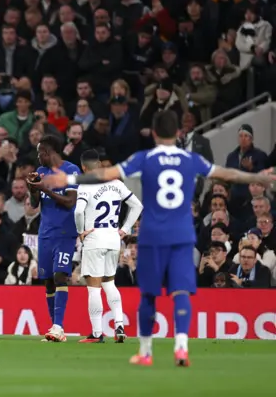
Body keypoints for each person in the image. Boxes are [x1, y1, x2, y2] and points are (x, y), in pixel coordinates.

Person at [40, 110, 276, 367]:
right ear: (177, 133)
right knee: (181, 291)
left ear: (153, 133)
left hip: (152, 235)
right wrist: (258, 177)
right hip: (182, 234)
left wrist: (70, 178)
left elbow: (106, 174)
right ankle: (182, 347)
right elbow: (227, 174)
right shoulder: (190, 158)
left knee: (149, 294)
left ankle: (145, 351)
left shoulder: (145, 158)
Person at [75, 149, 143, 343]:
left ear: (84, 167)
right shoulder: (116, 184)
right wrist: (125, 228)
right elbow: (138, 205)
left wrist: (81, 231)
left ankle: (97, 333)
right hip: (113, 238)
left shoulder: (85, 185)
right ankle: (119, 326)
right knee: (109, 284)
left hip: (95, 239)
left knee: (94, 289)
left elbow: (79, 212)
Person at [26, 134, 80, 342]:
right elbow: (33, 204)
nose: (38, 157)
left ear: (49, 153)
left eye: (40, 152)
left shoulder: (72, 170)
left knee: (60, 276)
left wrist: (44, 188)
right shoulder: (41, 172)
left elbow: (69, 201)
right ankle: (54, 328)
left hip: (65, 232)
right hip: (45, 233)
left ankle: (59, 325)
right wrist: (33, 188)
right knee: (48, 280)